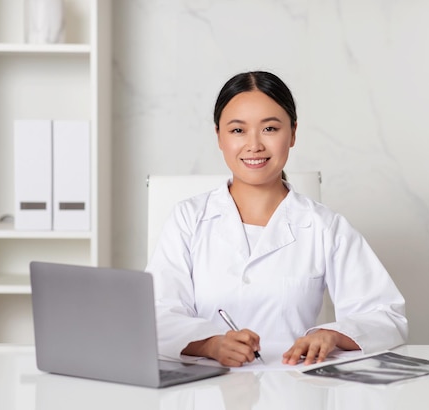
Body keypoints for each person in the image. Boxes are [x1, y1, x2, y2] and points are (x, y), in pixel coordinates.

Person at [147, 71, 408, 367]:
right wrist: (211, 345)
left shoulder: (325, 226)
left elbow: (386, 316)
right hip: (207, 387)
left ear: (293, 133)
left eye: (270, 129)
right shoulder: (188, 218)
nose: (254, 145)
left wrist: (331, 334)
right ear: (219, 136)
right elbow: (157, 313)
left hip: (293, 385)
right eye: (237, 131)